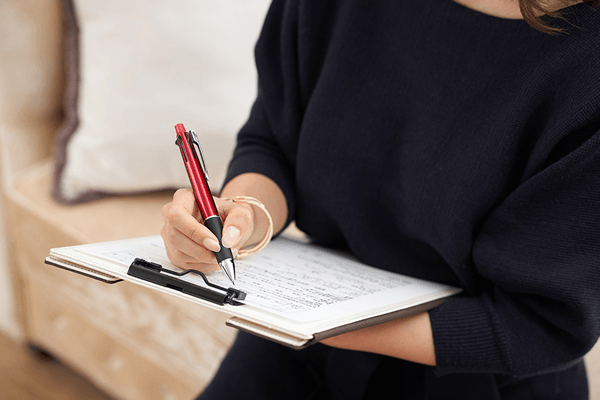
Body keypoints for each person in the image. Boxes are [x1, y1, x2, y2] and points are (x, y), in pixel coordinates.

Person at [161, 0, 600, 398]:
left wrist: (315, 322)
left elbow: (542, 323)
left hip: (477, 378)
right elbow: (275, 140)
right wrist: (242, 218)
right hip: (295, 346)